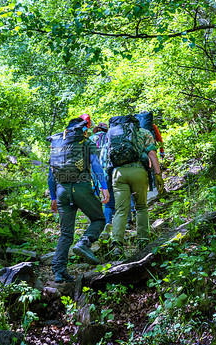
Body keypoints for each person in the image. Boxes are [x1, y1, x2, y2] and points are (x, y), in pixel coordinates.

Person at [47, 117, 110, 283]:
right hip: (81, 187)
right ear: (83, 130)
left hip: (61, 191)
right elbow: (96, 165)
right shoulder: (86, 142)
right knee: (98, 218)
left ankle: (59, 271)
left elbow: (50, 174)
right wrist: (104, 187)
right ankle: (84, 243)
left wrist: (53, 197)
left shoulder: (57, 144)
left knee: (66, 233)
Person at [106, 115, 164, 259]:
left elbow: (106, 155)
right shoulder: (144, 132)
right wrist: (158, 174)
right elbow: (151, 152)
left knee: (120, 210)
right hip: (138, 171)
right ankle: (143, 241)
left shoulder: (113, 134)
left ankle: (117, 245)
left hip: (118, 173)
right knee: (141, 207)